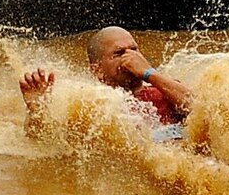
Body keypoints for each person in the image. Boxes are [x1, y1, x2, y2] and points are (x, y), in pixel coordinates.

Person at [20, 26, 191, 136]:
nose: (131, 57)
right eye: (119, 53)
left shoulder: (165, 88)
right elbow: (45, 144)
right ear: (97, 70)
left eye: (134, 50)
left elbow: (202, 110)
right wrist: (36, 109)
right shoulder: (91, 105)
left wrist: (149, 73)